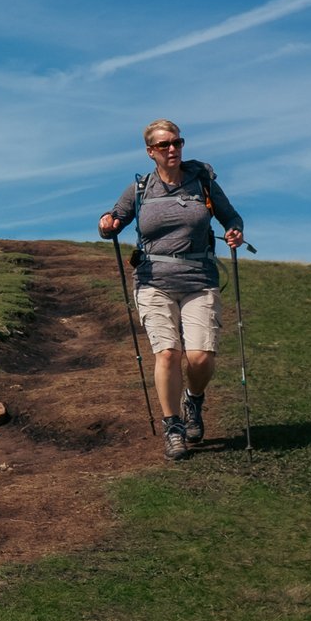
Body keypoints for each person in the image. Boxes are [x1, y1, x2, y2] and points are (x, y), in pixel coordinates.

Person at [99, 119, 245, 461]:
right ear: (151, 152)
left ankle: (194, 400)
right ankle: (174, 427)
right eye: (164, 145)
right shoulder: (139, 189)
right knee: (167, 353)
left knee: (200, 358)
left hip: (199, 278)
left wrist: (235, 232)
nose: (172, 149)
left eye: (177, 142)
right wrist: (108, 223)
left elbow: (231, 218)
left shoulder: (202, 181)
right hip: (153, 281)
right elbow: (113, 222)